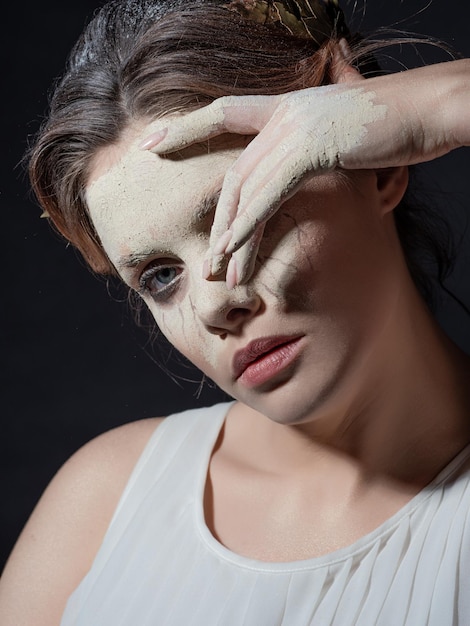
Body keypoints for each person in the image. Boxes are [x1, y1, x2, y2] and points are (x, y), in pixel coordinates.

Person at [1, 0, 470, 623]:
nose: (216, 302)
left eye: (248, 210)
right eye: (161, 276)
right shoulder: (101, 501)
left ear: (378, 167)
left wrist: (444, 100)